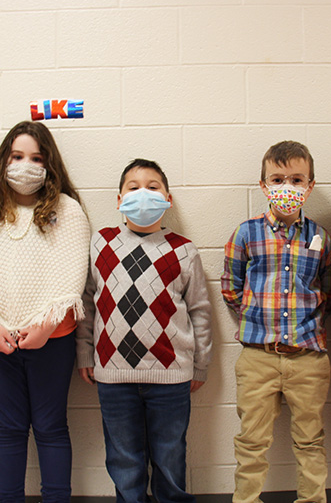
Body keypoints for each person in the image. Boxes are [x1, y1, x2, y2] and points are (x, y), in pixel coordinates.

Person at [0, 121, 90, 502]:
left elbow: (72, 279)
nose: (26, 165)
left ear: (49, 164)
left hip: (52, 339)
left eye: (36, 158)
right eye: (17, 156)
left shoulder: (68, 211)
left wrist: (43, 327)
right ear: (4, 161)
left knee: (50, 426)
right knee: (8, 428)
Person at [76, 158, 213, 503]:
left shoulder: (183, 249)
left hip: (172, 376)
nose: (143, 194)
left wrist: (200, 364)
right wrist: (84, 351)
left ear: (167, 198)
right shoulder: (100, 243)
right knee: (124, 462)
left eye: (152, 187)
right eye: (133, 187)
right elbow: (87, 303)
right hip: (112, 375)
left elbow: (200, 310)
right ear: (119, 199)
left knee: (170, 459)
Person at [221, 140, 331, 503]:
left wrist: (306, 323)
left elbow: (329, 291)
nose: (287, 187)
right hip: (259, 357)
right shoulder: (246, 234)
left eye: (297, 179)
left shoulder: (321, 236)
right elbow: (231, 288)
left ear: (310, 186)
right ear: (263, 185)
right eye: (278, 179)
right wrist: (257, 320)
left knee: (310, 440)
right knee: (252, 441)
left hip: (309, 358)